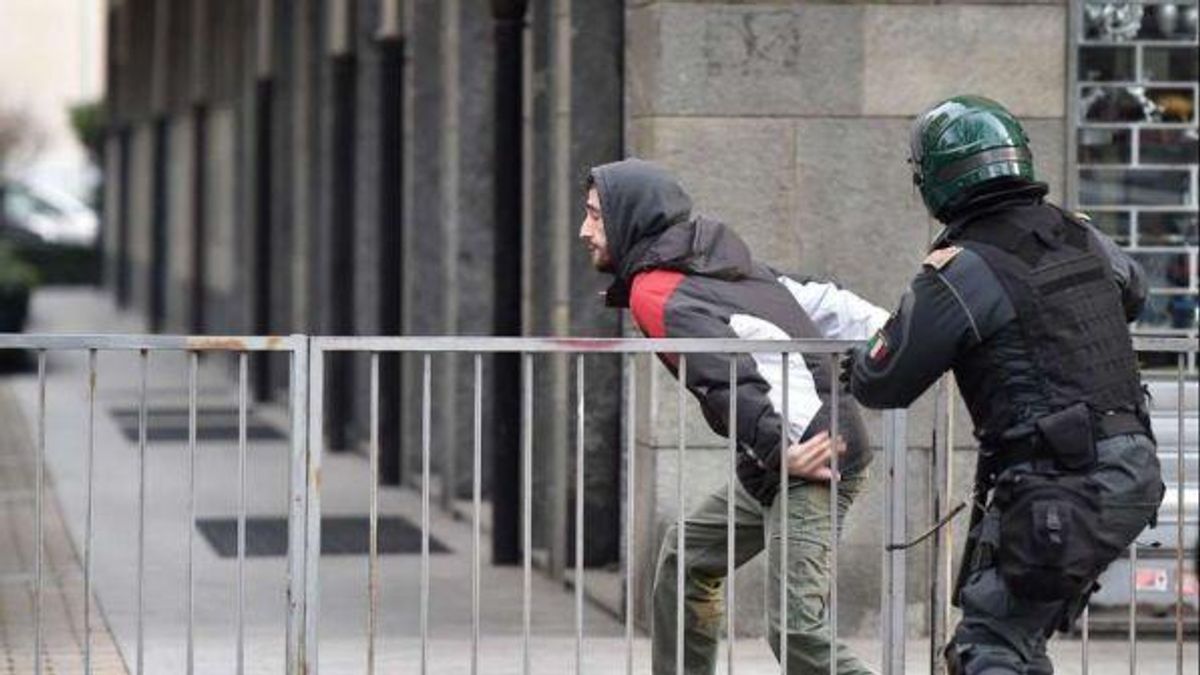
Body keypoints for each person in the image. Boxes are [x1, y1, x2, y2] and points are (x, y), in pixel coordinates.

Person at [846, 95, 1164, 675]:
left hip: (1060, 486)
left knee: (988, 647)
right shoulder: (1078, 236)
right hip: (1131, 470)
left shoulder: (963, 269)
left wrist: (860, 355)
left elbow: (882, 380)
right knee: (1015, 640)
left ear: (934, 178)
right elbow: (1133, 291)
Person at [581, 158, 886, 674]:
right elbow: (815, 298)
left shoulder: (658, 290)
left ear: (629, 217)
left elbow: (724, 376)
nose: (584, 231)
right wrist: (892, 331)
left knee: (797, 632)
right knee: (686, 560)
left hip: (811, 458)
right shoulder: (706, 262)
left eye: (595, 216)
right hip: (777, 457)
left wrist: (778, 451)